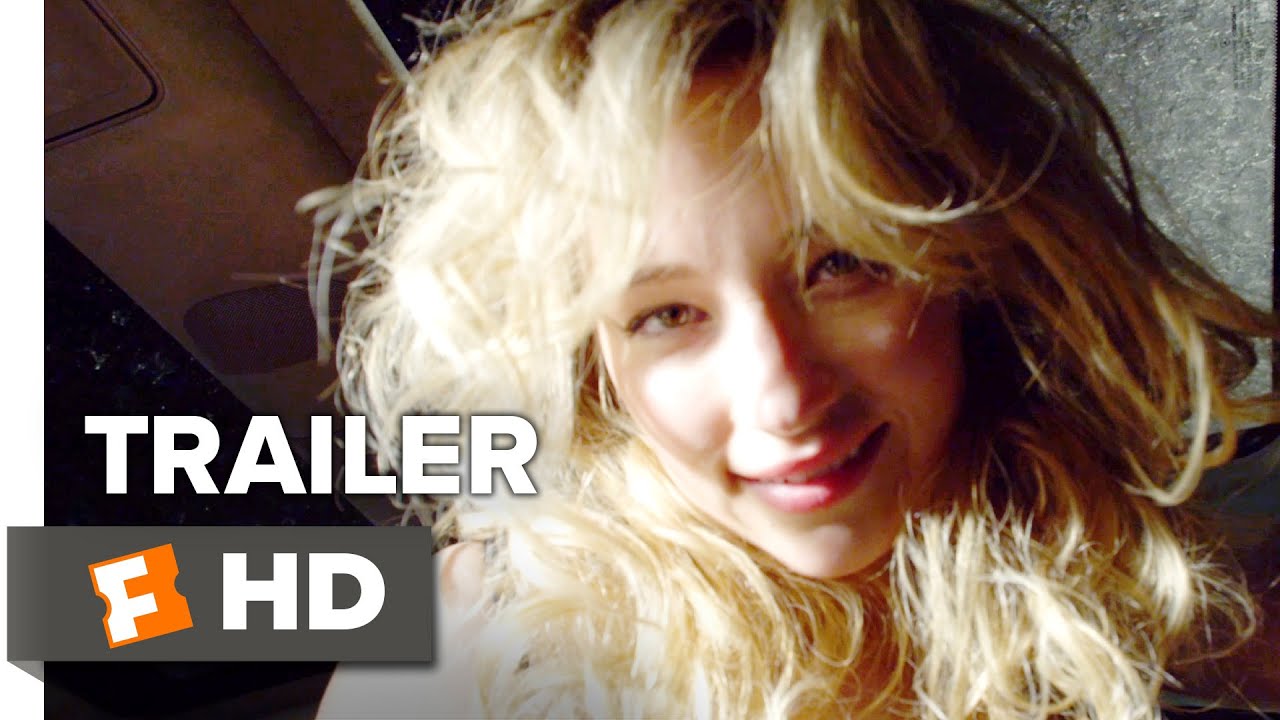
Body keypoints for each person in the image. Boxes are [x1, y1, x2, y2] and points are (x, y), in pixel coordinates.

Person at [307, 0, 1280, 717]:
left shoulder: (1149, 576)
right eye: (667, 314)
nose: (782, 398)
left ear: (972, 265)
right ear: (592, 363)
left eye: (843, 264)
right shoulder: (463, 652)